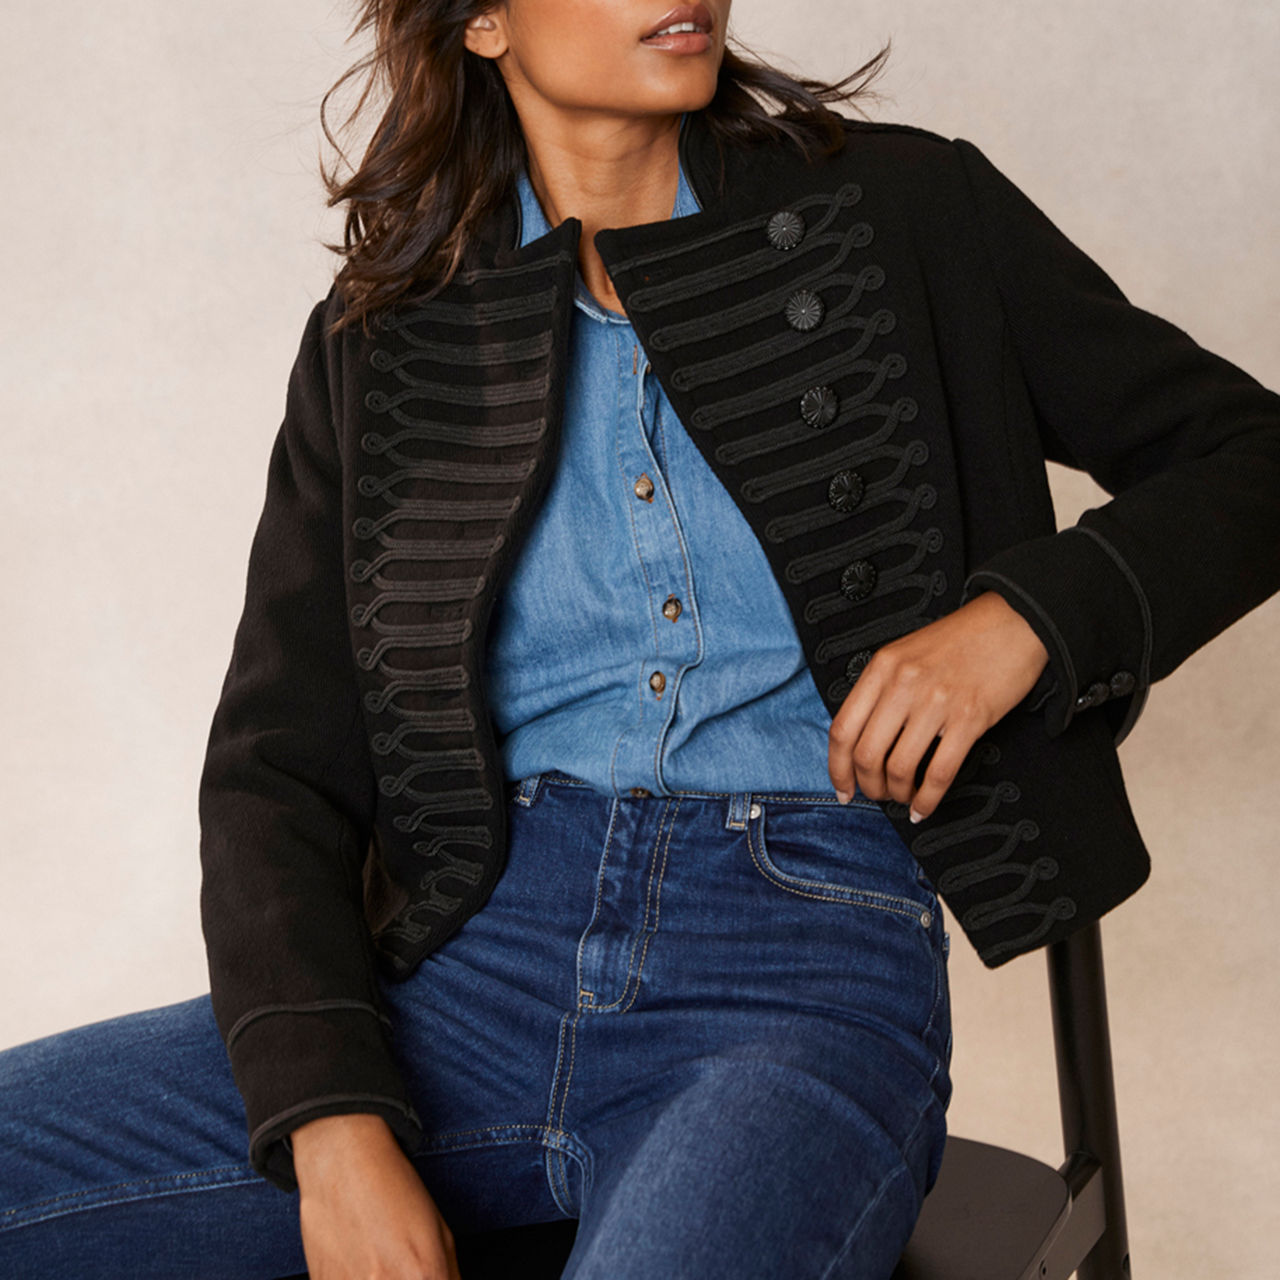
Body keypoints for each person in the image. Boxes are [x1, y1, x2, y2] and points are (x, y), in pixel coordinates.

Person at [2, 1, 1278, 1278]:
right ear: (481, 22)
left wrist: (1025, 621)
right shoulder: (386, 329)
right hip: (466, 964)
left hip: (797, 970)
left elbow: (1250, 455)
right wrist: (333, 1127)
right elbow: (277, 772)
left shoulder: (900, 214)